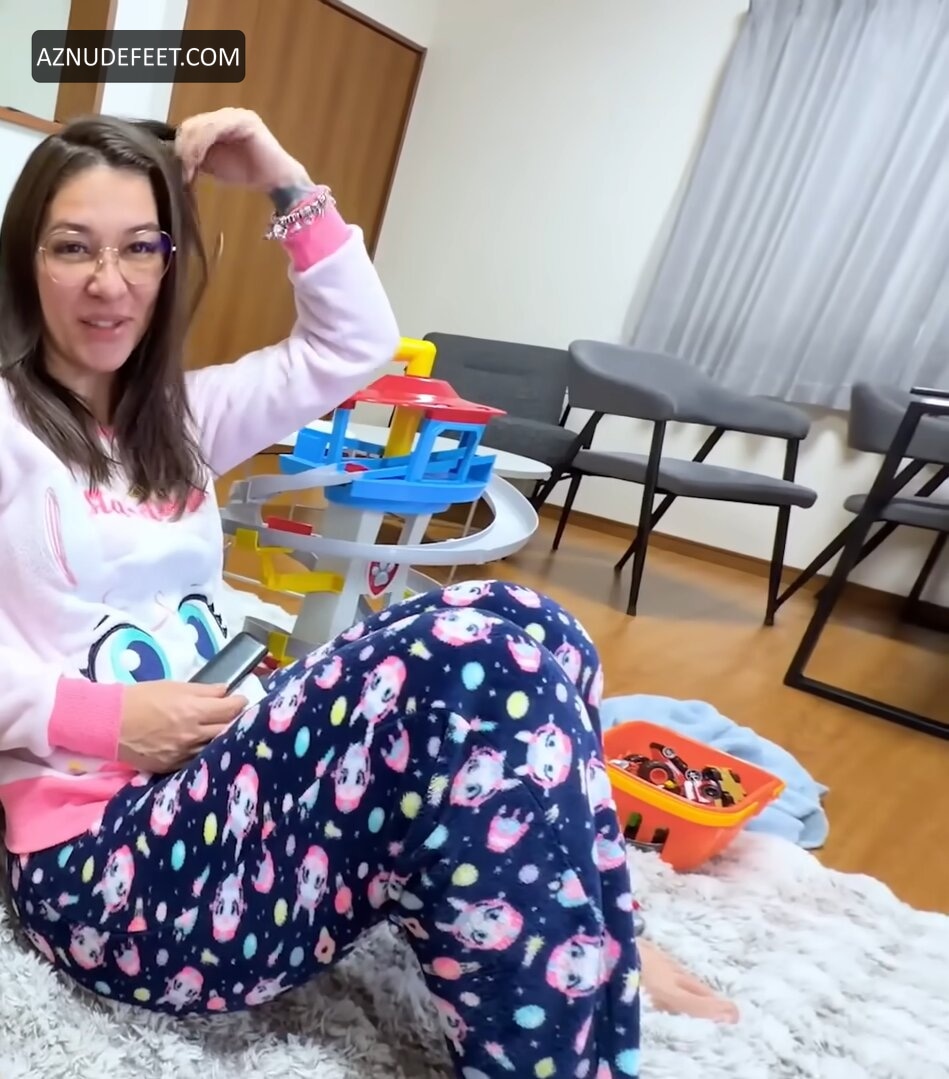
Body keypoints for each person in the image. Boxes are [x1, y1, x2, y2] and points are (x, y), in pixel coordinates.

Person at [0, 107, 732, 1079]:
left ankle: (587, 934)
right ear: (24, 263)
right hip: (110, 866)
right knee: (470, 656)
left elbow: (355, 346)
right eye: (72, 247)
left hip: (222, 779)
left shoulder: (179, 415)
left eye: (141, 246)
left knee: (534, 625)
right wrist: (107, 719)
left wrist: (283, 178)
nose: (109, 281)